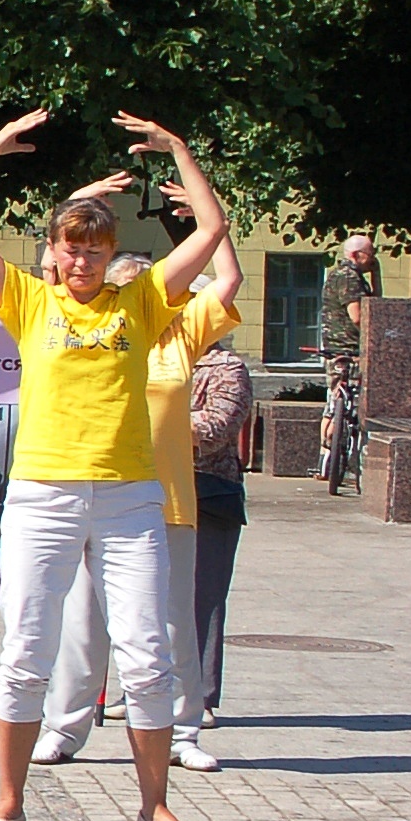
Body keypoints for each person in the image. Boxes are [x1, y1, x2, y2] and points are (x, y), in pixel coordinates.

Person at [0, 107, 228, 821]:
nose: (83, 263)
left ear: (110, 254)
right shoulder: (30, 301)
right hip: (44, 493)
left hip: (131, 499)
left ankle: (154, 805)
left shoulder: (142, 301)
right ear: (55, 251)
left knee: (147, 656)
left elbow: (211, 232)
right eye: (72, 249)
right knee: (26, 649)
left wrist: (179, 149)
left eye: (95, 251)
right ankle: (9, 800)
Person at [35, 188, 244, 774]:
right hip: (92, 488)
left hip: (166, 499)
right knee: (82, 624)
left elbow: (228, 280)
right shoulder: (90, 328)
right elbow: (52, 267)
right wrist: (78, 201)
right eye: (122, 284)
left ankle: (182, 732)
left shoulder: (179, 338)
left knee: (170, 625)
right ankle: (64, 727)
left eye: (142, 286)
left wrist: (210, 223)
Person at [189, 335, 253, 733]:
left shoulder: (226, 366)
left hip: (208, 492)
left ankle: (200, 695)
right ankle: (144, 691)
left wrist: (153, 422)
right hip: (150, 488)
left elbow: (219, 425)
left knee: (203, 594)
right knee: (150, 596)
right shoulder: (152, 352)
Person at [319, 234, 381, 363]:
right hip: (347, 352)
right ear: (356, 255)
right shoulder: (348, 276)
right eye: (370, 254)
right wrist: (377, 338)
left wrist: (376, 275)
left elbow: (374, 306)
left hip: (347, 350)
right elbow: (357, 317)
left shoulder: (349, 275)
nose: (373, 259)